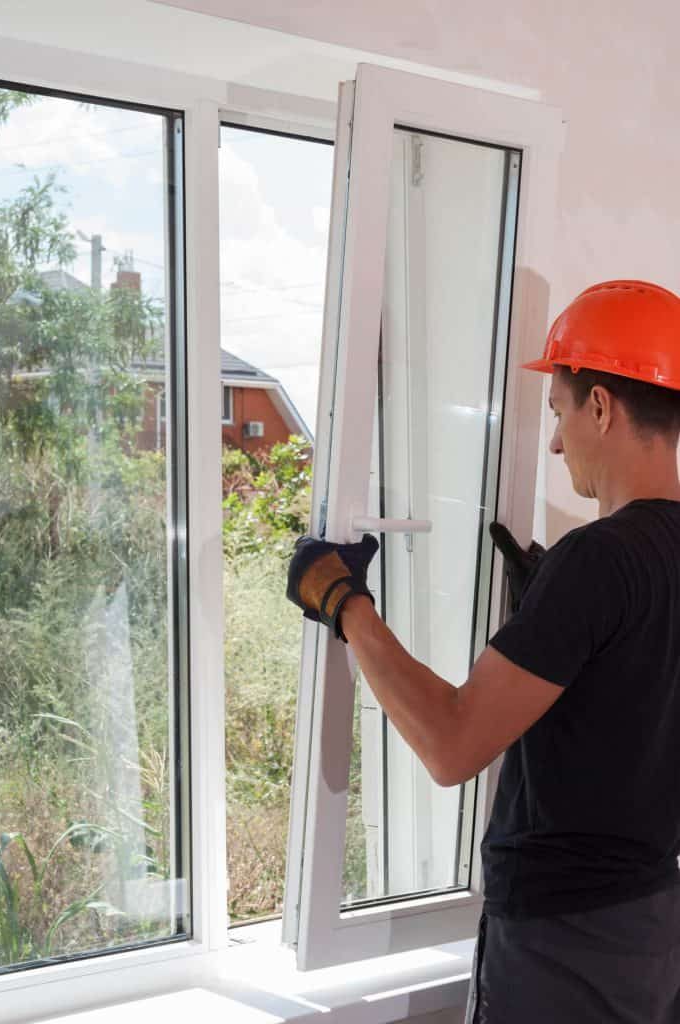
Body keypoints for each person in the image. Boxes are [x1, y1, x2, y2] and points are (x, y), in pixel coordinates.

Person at [286, 280, 680, 1023]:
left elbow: (451, 745)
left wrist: (345, 604)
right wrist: (554, 621)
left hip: (566, 943)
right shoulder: (633, 563)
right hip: (652, 925)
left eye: (560, 413)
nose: (558, 441)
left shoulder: (596, 562)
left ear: (602, 406)